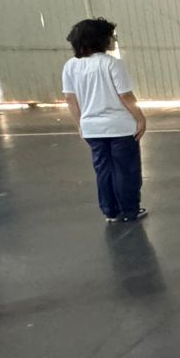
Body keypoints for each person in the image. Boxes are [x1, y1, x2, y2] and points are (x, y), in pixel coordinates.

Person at [62, 18, 148, 222]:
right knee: (126, 169)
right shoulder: (112, 64)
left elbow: (70, 98)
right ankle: (130, 209)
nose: (114, 40)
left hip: (92, 128)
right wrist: (140, 118)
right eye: (111, 36)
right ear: (101, 39)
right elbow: (125, 95)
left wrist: (80, 124)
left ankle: (110, 211)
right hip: (120, 127)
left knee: (103, 169)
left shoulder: (70, 66)